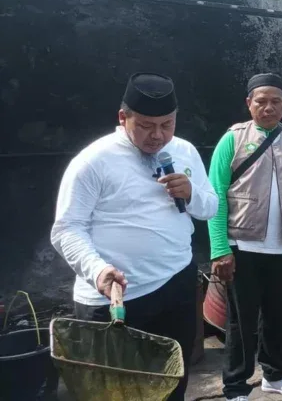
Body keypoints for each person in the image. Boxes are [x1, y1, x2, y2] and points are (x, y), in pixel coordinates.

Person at [50, 73, 219, 401]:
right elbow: (67, 228)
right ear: (122, 117)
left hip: (177, 286)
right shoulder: (93, 161)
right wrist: (97, 270)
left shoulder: (184, 151)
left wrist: (192, 193)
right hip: (115, 299)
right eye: (145, 125)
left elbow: (210, 207)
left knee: (172, 383)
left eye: (167, 125)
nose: (158, 135)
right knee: (113, 393)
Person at [207, 73, 282, 401]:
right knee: (241, 323)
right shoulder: (233, 140)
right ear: (249, 103)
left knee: (278, 316)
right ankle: (235, 387)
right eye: (261, 101)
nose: (268, 107)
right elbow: (215, 195)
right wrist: (219, 248)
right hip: (242, 247)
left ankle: (276, 375)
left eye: (276, 101)